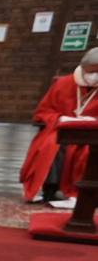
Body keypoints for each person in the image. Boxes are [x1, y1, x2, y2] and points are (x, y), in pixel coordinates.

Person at [19, 47, 98, 204]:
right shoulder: (64, 83)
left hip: (92, 134)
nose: (93, 76)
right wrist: (61, 119)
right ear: (83, 68)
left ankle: (81, 192)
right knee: (50, 144)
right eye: (90, 71)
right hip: (61, 129)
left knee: (87, 151)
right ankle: (51, 188)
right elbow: (44, 111)